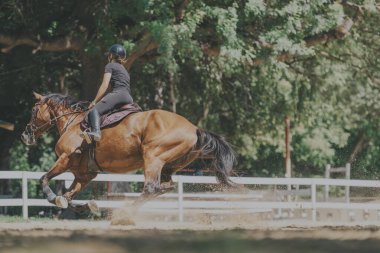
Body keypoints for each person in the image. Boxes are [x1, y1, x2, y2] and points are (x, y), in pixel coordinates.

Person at [84, 44, 134, 142]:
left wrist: (94, 101)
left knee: (94, 111)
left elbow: (105, 85)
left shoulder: (110, 65)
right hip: (128, 97)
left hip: (118, 94)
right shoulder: (124, 70)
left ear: (111, 55)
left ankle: (96, 132)